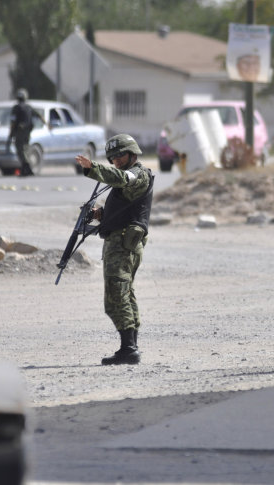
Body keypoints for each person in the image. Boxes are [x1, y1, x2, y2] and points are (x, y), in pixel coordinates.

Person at [75, 134, 154, 365]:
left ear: (132, 153)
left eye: (120, 155)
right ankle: (130, 347)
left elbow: (122, 179)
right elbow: (124, 207)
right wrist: (99, 214)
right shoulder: (127, 178)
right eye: (112, 158)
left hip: (123, 245)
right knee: (124, 293)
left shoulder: (137, 174)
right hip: (118, 243)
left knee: (116, 295)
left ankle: (129, 349)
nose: (116, 160)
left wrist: (93, 168)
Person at [6, 88, 35, 176]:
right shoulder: (29, 107)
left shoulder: (16, 108)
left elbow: (13, 121)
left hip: (20, 131)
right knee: (25, 149)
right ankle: (27, 169)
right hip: (27, 131)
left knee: (20, 149)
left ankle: (26, 167)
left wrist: (11, 133)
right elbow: (37, 116)